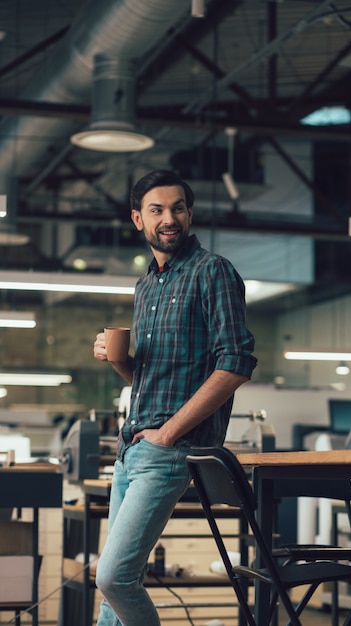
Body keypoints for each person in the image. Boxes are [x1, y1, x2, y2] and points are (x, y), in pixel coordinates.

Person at [93, 169, 257, 626]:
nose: (169, 218)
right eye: (157, 210)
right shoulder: (146, 286)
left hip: (168, 450)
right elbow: (144, 377)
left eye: (178, 208)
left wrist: (167, 434)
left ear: (190, 213)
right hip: (130, 450)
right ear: (137, 220)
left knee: (114, 577)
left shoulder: (212, 272)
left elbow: (236, 363)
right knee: (113, 592)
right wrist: (117, 360)